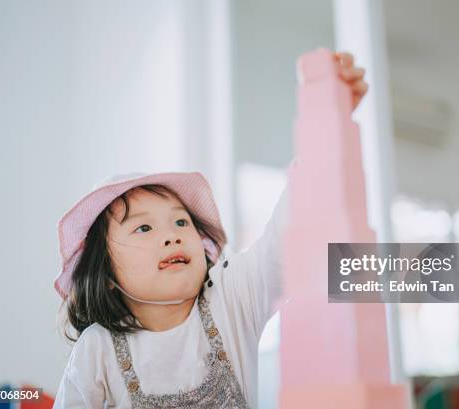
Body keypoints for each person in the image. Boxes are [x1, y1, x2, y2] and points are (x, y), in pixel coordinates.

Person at [52, 51, 368, 409]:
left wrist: (324, 130)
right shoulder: (98, 347)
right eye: (143, 228)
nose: (171, 235)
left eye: (181, 221)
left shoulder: (233, 299)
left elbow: (285, 237)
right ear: (106, 273)